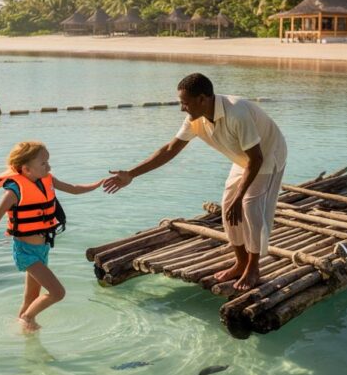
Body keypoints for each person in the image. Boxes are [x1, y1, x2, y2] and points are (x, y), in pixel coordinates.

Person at [104, 73, 287, 291]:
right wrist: (131, 174)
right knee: (228, 205)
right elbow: (170, 149)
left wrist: (241, 195)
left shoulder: (237, 112)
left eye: (185, 102)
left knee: (249, 205)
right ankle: (240, 262)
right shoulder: (195, 119)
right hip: (243, 158)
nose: (182, 108)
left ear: (202, 99)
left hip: (267, 156)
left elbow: (256, 159)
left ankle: (253, 268)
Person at [0, 141, 103, 332]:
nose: (49, 167)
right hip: (25, 252)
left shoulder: (47, 179)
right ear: (26, 169)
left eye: (48, 162)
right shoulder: (14, 192)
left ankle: (23, 335)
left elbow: (74, 188)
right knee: (58, 293)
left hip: (42, 249)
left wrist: (97, 184)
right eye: (43, 163)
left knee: (31, 298)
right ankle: (27, 318)